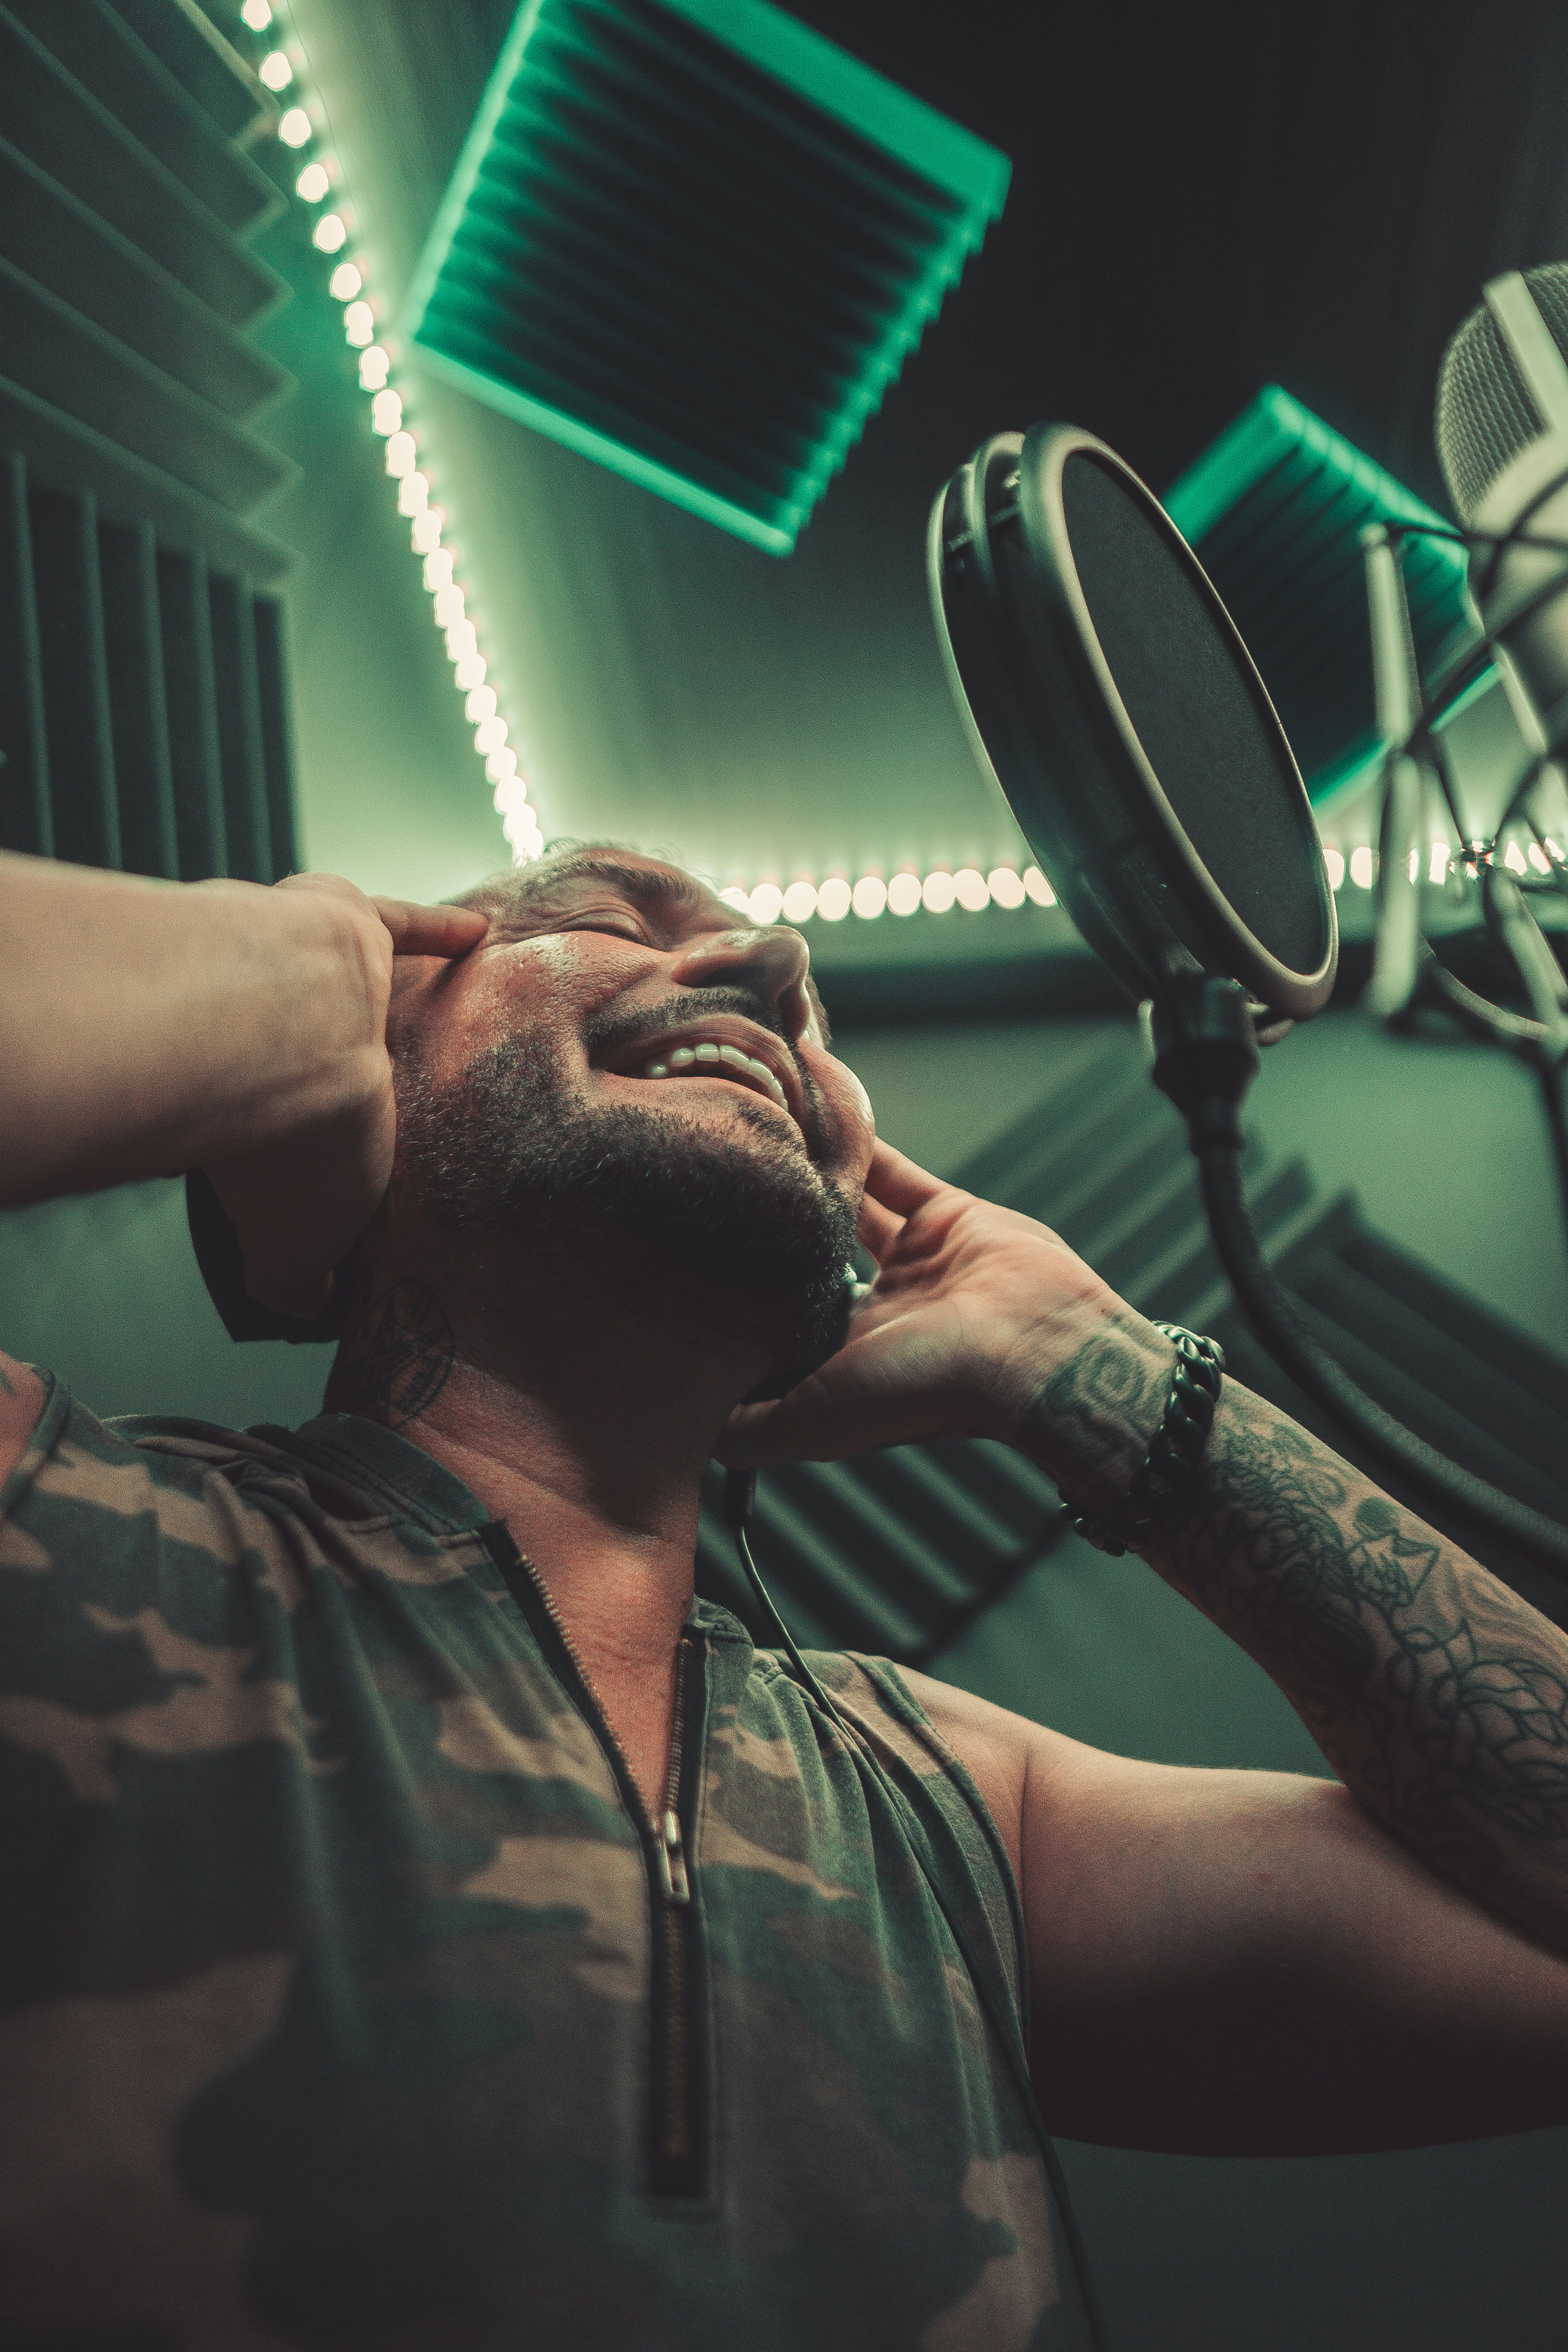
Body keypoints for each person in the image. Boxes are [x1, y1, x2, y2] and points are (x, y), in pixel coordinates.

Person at [2, 841, 1567, 2352]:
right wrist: (281, 983)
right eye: (606, 914)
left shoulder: (948, 1807)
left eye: (805, 1015)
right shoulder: (61, 1523)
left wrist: (1072, 1354)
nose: (775, 966)